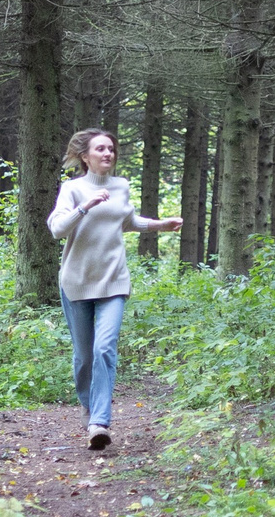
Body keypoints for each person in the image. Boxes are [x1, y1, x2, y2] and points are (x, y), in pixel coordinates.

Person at [47, 127, 181, 450]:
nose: (108, 154)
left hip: (113, 280)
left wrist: (160, 225)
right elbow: (56, 229)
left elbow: (127, 220)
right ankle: (88, 404)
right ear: (85, 156)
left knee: (104, 348)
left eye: (111, 149)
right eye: (100, 149)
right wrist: (86, 206)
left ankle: (99, 423)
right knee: (84, 358)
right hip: (76, 282)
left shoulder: (121, 186)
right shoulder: (73, 189)